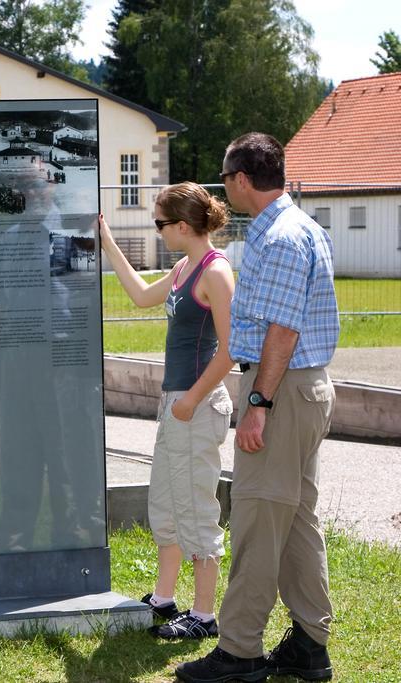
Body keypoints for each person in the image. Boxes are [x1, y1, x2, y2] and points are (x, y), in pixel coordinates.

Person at [176, 133, 339, 683]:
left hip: (282, 388)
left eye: (224, 178)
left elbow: (282, 331)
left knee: (254, 516)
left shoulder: (281, 239)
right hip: (301, 388)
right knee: (294, 519)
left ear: (241, 179)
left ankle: (241, 651)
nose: (224, 188)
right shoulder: (301, 228)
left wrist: (259, 404)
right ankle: (310, 645)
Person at [99, 182, 235, 640]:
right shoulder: (182, 268)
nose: (157, 231)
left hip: (194, 404)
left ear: (182, 225)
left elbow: (230, 350)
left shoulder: (215, 272)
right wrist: (108, 243)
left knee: (196, 506)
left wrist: (192, 400)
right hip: (174, 402)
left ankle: (203, 615)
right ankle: (164, 597)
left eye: (160, 224)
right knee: (165, 502)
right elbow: (140, 295)